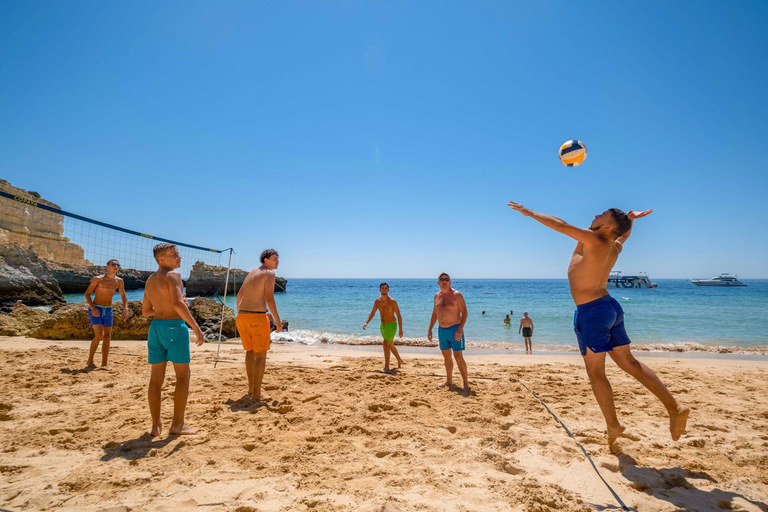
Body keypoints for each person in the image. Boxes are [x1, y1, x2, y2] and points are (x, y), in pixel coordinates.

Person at [508, 202, 689, 443]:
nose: (594, 214)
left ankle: (613, 425)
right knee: (630, 363)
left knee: (596, 373)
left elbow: (560, 224)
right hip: (610, 308)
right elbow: (622, 237)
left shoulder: (593, 240)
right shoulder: (613, 247)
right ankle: (674, 408)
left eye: (601, 215)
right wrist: (631, 222)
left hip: (592, 311)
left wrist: (529, 213)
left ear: (606, 226)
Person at [142, 243, 205, 436]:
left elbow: (146, 312)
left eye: (178, 254)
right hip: (174, 328)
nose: (179, 257)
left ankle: (155, 426)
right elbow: (178, 303)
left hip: (156, 328)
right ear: (161, 259)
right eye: (174, 254)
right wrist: (196, 327)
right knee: (183, 376)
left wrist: (167, 307)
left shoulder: (150, 280)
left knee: (156, 379)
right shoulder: (174, 276)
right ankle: (177, 424)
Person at [236, 249, 283, 403]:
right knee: (260, 355)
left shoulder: (252, 272)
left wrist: (241, 313)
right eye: (274, 259)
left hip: (242, 317)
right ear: (265, 260)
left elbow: (239, 295)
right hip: (256, 318)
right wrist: (277, 320)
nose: (277, 262)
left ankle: (251, 389)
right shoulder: (269, 273)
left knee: (250, 352)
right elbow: (269, 298)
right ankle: (256, 394)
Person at [428, 273, 470, 393]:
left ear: (450, 282)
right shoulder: (436, 296)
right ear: (438, 282)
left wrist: (460, 329)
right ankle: (449, 381)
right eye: (442, 279)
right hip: (442, 330)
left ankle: (466, 383)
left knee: (458, 357)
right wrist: (430, 328)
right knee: (446, 356)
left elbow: (465, 313)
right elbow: (435, 313)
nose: (444, 281)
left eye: (447, 279)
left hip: (455, 329)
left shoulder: (457, 295)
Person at [84, 259, 129, 370]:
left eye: (118, 265)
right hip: (96, 308)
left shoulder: (119, 281)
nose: (116, 266)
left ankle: (104, 363)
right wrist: (92, 307)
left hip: (108, 309)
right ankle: (90, 360)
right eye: (113, 264)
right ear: (107, 266)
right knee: (99, 335)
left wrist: (126, 309)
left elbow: (123, 295)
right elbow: (87, 293)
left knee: (107, 336)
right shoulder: (98, 279)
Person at [363, 282, 405, 372]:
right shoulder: (377, 301)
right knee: (390, 345)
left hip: (392, 325)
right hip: (383, 326)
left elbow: (399, 316)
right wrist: (366, 322)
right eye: (382, 288)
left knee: (385, 344)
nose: (384, 289)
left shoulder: (392, 301)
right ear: (379, 290)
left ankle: (386, 366)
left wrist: (401, 329)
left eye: (386, 288)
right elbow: (372, 312)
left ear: (388, 290)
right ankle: (399, 360)